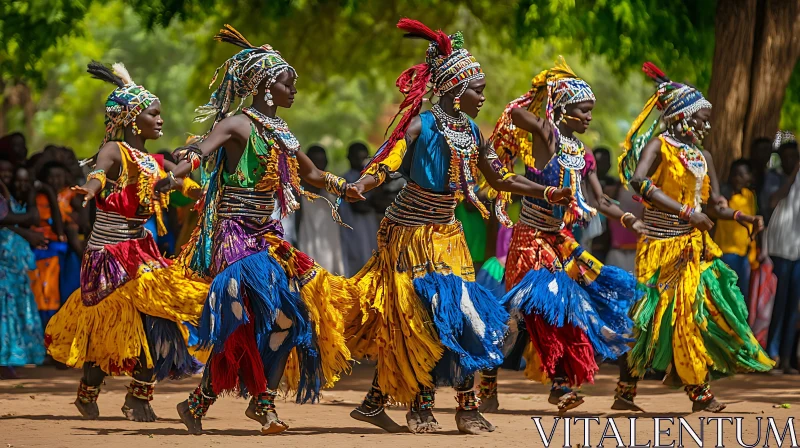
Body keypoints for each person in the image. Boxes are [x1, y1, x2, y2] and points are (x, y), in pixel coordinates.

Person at [344, 19, 572, 435]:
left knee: (467, 314)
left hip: (448, 235)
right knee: (427, 318)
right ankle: (419, 406)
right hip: (409, 234)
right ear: (453, 89)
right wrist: (362, 184)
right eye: (477, 89)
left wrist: (545, 193)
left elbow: (501, 178)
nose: (484, 96)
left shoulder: (471, 131)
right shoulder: (422, 124)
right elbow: (388, 160)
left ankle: (458, 408)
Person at [164, 25, 355, 435]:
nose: (294, 91)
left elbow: (313, 174)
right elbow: (201, 150)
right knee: (241, 322)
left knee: (286, 319)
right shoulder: (237, 125)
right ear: (267, 86)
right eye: (289, 84)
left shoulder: (283, 134)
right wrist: (178, 167)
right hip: (234, 239)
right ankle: (263, 406)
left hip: (268, 239)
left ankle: (199, 403)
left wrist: (346, 187)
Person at [476, 57, 642, 414]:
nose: (588, 118)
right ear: (564, 110)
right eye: (582, 111)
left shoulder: (582, 155)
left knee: (574, 309)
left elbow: (601, 199)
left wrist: (628, 218)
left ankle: (567, 385)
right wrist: (543, 98)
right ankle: (501, 385)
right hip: (530, 239)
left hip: (561, 240)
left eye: (591, 112)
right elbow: (516, 115)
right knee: (527, 314)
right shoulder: (545, 135)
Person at [44, 61, 208, 422]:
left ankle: (138, 397)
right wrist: (88, 190)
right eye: (154, 114)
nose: (161, 120)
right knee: (110, 332)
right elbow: (98, 175)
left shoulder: (156, 160)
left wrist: (202, 193)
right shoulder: (115, 151)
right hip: (107, 255)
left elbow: (182, 184)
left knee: (161, 320)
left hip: (141, 251)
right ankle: (88, 392)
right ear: (134, 119)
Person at [616, 62, 773, 412]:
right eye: (701, 118)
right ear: (681, 116)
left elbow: (713, 204)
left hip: (691, 248)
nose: (706, 125)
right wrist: (687, 213)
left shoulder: (704, 157)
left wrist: (739, 215)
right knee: (647, 317)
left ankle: (699, 392)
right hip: (658, 246)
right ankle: (626, 390)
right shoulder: (660, 146)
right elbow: (639, 183)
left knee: (690, 314)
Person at [0, 176, 45, 379]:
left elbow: (29, 217)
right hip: (3, 264)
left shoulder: (8, 198)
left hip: (15, 265)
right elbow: (7, 219)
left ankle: (9, 359)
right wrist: (27, 232)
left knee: (11, 311)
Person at [764, 141, 800, 374]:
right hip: (778, 250)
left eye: (793, 158)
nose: (790, 161)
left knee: (793, 307)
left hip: (797, 251)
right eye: (786, 158)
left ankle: (786, 358)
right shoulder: (774, 177)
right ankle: (771, 356)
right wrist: (793, 174)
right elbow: (774, 200)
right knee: (776, 305)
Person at [297, 145, 346, 274]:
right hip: (307, 254)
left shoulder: (332, 194)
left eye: (322, 162)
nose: (319, 167)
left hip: (331, 254)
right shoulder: (298, 195)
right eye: (315, 162)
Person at [714, 159, 757, 299]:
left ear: (749, 177)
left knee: (740, 295)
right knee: (726, 294)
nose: (737, 178)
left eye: (742, 174)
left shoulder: (749, 195)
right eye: (734, 174)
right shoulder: (725, 195)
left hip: (744, 254)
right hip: (726, 252)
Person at [339, 142, 379, 276]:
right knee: (356, 266)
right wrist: (375, 199)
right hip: (353, 231)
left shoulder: (373, 179)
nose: (361, 161)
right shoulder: (345, 180)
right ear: (349, 158)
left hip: (370, 229)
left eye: (364, 158)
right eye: (357, 158)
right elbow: (360, 207)